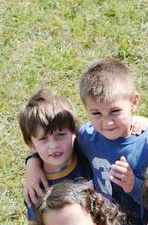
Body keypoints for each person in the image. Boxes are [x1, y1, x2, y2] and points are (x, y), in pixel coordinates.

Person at [75, 59, 148, 225]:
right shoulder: (86, 137)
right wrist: (33, 163)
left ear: (134, 102)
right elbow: (57, 151)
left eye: (115, 111)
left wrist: (133, 185)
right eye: (96, 113)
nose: (107, 122)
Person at [18, 88, 92, 218]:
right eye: (43, 139)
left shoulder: (86, 152)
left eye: (60, 135)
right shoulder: (36, 188)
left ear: (75, 132)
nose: (54, 145)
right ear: (31, 145)